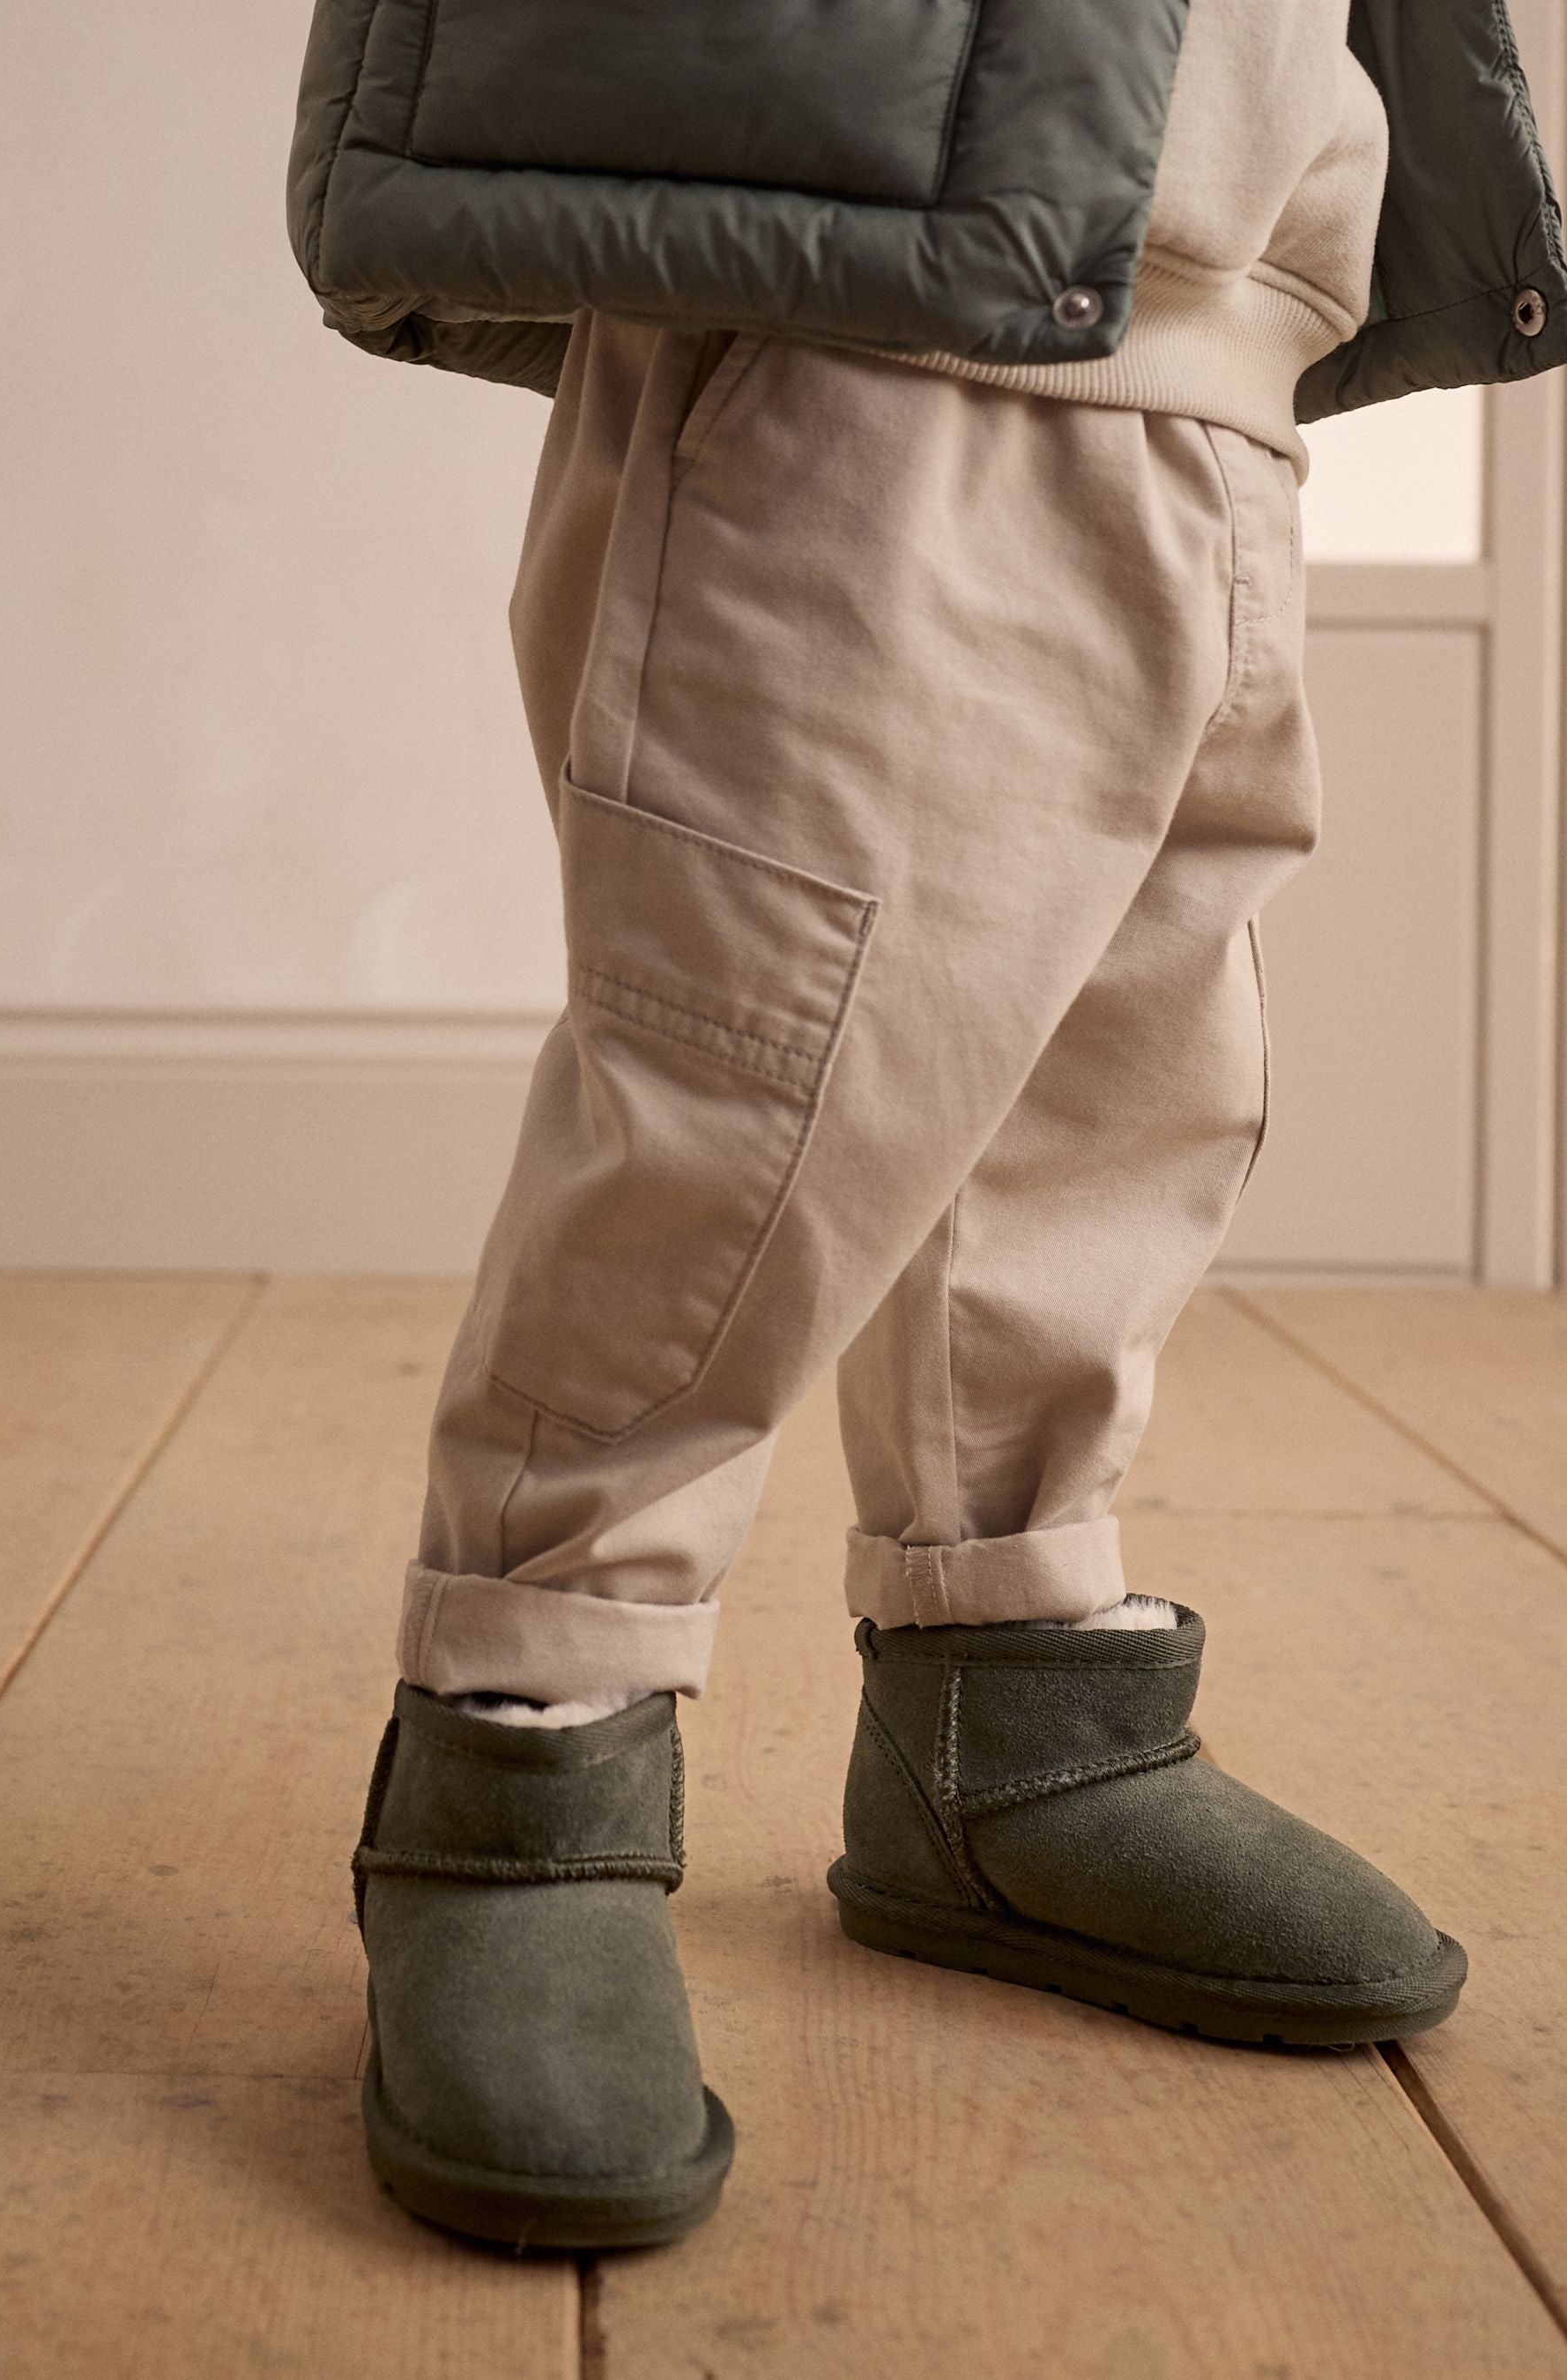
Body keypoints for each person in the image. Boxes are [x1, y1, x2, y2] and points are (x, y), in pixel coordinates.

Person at [291, 0, 1563, 2250]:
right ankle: (526, 1743)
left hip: (1227, 314)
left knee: (1118, 1091)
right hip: (867, 246)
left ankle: (1013, 1698)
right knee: (759, 1086)